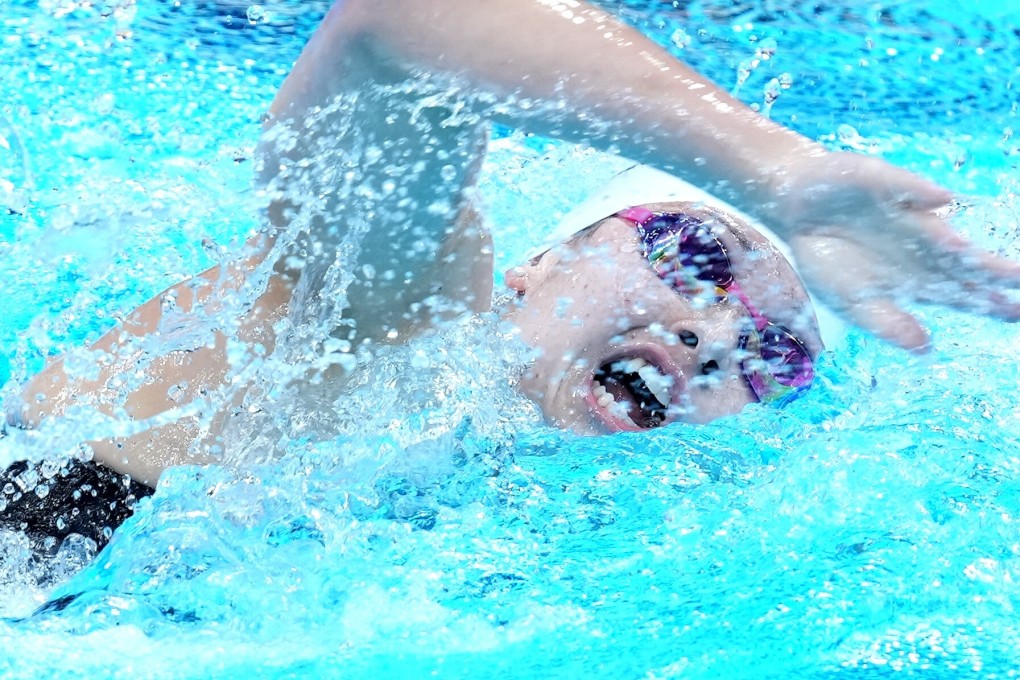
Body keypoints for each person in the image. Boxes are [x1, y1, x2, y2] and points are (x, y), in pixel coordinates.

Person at [2, 0, 1018, 552]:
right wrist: (775, 175)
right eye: (690, 253)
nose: (712, 336)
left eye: (774, 350)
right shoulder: (396, 317)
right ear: (542, 262)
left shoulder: (550, 525)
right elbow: (395, 29)